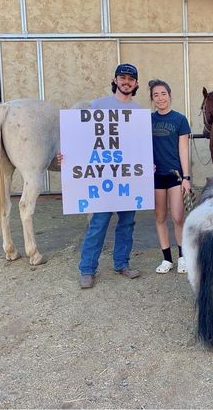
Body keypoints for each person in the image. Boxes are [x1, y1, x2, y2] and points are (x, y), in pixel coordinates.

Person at [60, 63, 143, 289]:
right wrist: (68, 158)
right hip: (104, 178)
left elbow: (138, 146)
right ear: (115, 80)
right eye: (122, 77)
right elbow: (83, 138)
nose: (126, 82)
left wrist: (146, 167)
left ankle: (121, 263)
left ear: (136, 84)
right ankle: (87, 269)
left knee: (127, 223)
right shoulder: (98, 106)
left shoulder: (138, 112)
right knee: (98, 224)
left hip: (126, 179)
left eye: (131, 79)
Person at [150, 79, 191, 274]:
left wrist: (187, 177)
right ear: (152, 99)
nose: (160, 98)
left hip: (175, 175)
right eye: (156, 95)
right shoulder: (147, 120)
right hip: (156, 176)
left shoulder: (180, 120)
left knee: (177, 217)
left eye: (163, 94)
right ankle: (167, 259)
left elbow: (183, 150)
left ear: (170, 95)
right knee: (160, 217)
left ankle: (183, 256)